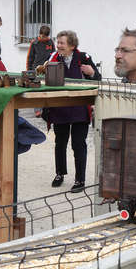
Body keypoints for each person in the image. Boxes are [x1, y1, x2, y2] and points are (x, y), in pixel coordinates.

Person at [44, 30, 100, 192]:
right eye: (58, 42)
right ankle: (60, 173)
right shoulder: (53, 58)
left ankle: (80, 180)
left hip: (79, 109)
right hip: (59, 107)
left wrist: (92, 73)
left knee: (78, 144)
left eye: (62, 43)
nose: (58, 45)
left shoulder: (83, 57)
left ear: (72, 46)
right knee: (60, 143)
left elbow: (98, 78)